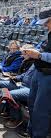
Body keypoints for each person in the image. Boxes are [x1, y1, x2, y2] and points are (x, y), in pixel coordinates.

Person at [23, 9, 51, 138]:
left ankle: (38, 135)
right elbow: (43, 49)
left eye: (47, 22)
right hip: (38, 73)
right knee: (32, 104)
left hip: (48, 76)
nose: (45, 25)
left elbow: (44, 55)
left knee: (41, 110)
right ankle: (31, 132)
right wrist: (32, 52)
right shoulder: (48, 34)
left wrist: (39, 55)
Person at [0, 44, 35, 129]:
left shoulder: (35, 63)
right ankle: (8, 111)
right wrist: (14, 77)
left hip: (30, 89)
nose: (22, 55)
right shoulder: (27, 61)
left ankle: (16, 118)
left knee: (10, 94)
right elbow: (24, 75)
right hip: (20, 84)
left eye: (24, 53)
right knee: (0, 83)